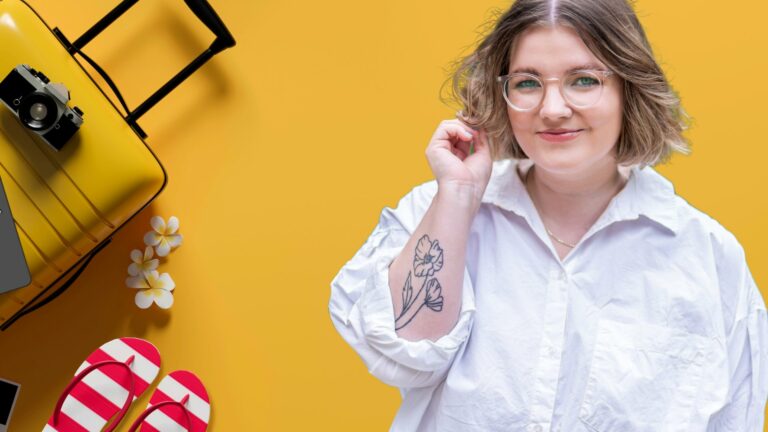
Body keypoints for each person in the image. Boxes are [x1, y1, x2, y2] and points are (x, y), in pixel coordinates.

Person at [328, 0, 768, 430]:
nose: (553, 109)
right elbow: (407, 355)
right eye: (527, 83)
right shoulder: (439, 210)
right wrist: (459, 195)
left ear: (627, 88)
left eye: (582, 80)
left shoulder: (706, 256)